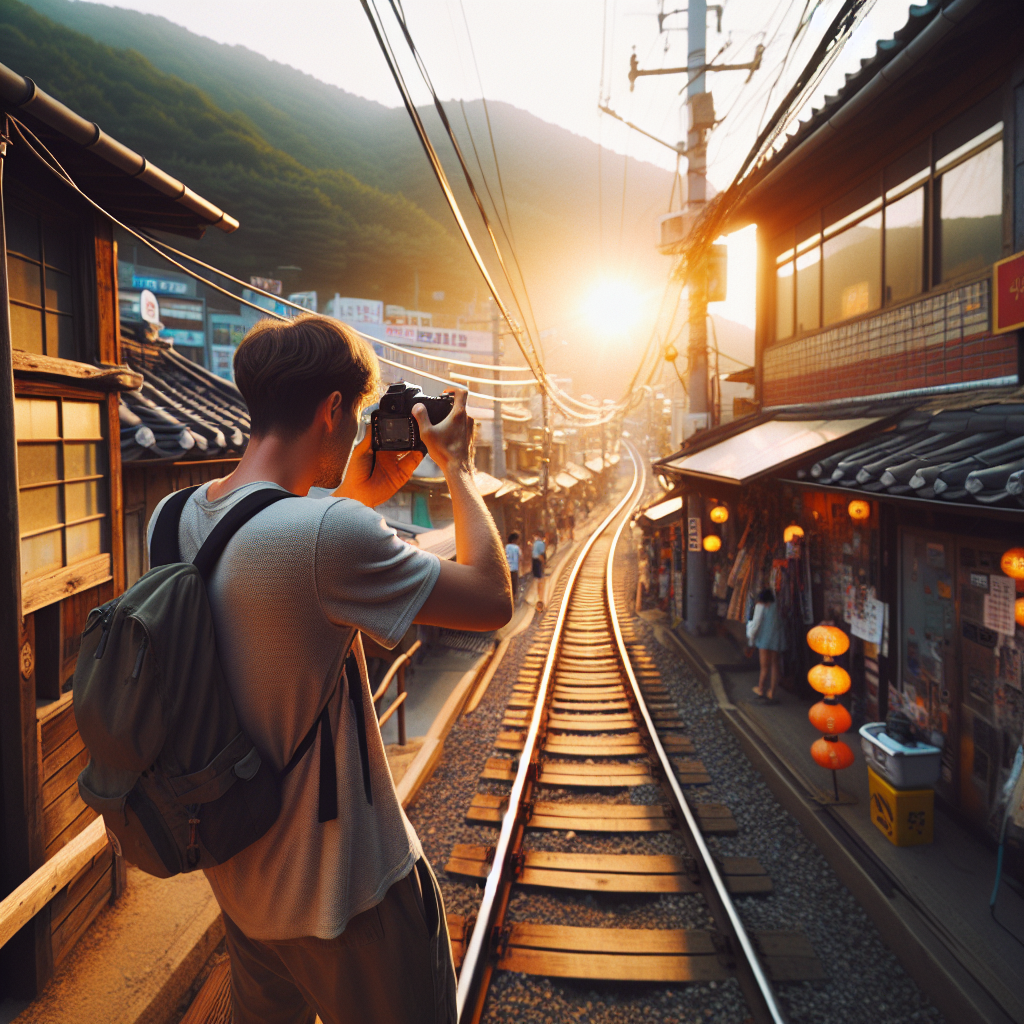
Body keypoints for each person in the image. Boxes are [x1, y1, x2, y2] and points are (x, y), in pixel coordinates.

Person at [148, 314, 512, 1024]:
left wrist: (353, 499)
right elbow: (493, 599)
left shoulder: (171, 517)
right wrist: (458, 467)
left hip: (243, 888)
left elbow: (273, 597)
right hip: (350, 899)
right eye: (357, 415)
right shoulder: (327, 534)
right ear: (333, 408)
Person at [747, 587, 786, 702]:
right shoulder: (777, 605)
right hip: (776, 638)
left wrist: (751, 637)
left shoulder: (760, 606)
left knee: (764, 667)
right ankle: (772, 692)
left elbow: (756, 623)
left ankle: (760, 689)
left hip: (764, 639)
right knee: (774, 665)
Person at [532, 529, 547, 611]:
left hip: (534, 562)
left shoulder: (535, 543)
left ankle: (538, 599)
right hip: (538, 562)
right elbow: (541, 555)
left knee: (538, 580)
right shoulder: (541, 543)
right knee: (541, 581)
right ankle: (540, 601)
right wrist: (544, 564)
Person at [505, 531, 521, 603]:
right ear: (515, 539)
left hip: (507, 569)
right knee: (514, 586)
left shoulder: (507, 547)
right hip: (514, 569)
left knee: (509, 585)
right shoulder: (517, 548)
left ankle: (509, 600)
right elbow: (520, 557)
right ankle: (513, 601)